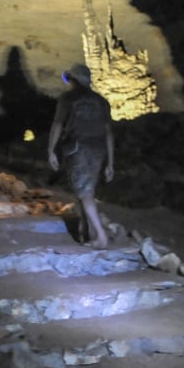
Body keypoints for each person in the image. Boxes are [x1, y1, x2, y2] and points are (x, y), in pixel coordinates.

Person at [48, 63, 115, 248]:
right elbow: (109, 132)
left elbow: (58, 125)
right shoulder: (102, 101)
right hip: (98, 150)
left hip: (78, 149)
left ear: (73, 80)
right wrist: (110, 163)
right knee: (85, 190)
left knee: (84, 192)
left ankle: (101, 236)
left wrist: (51, 150)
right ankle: (87, 232)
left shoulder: (68, 98)